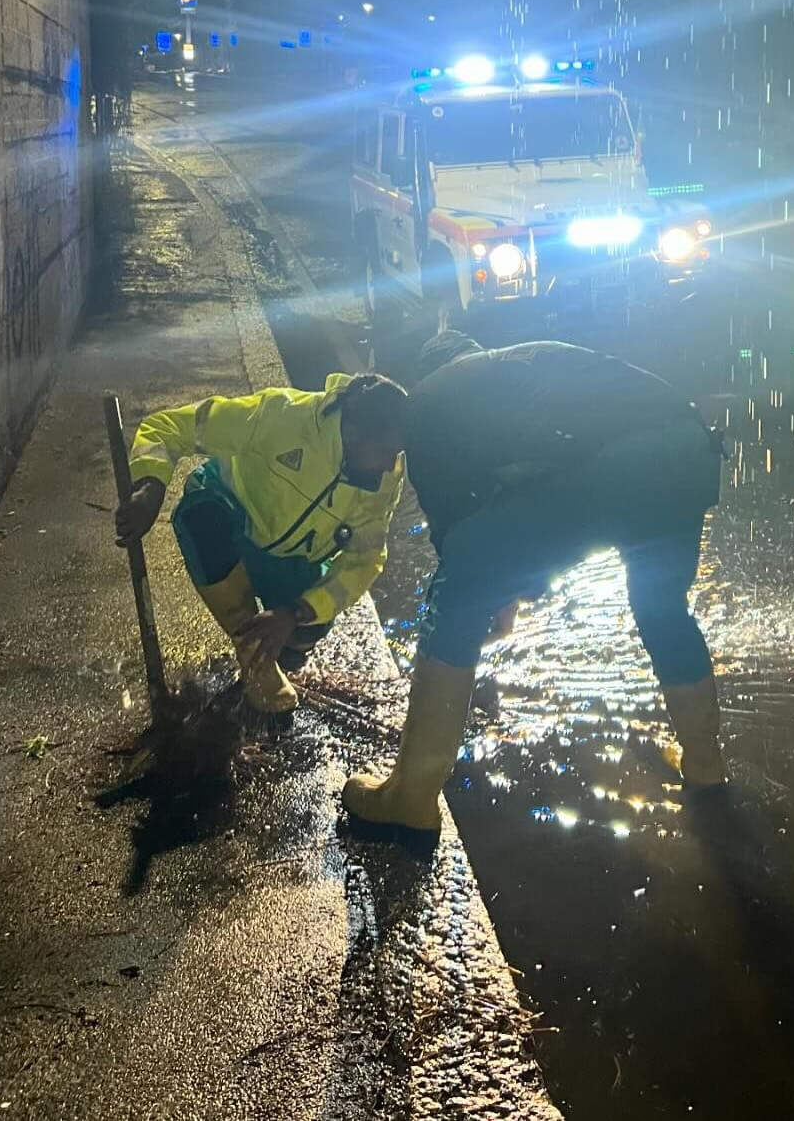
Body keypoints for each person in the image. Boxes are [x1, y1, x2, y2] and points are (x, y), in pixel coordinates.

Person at [343, 331, 727, 833]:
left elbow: (461, 548)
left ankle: (410, 798)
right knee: (662, 612)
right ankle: (705, 766)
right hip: (687, 451)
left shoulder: (427, 406)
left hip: (614, 467)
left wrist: (496, 598)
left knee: (452, 597)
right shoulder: (522, 360)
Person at [115, 373, 409, 716]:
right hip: (232, 519)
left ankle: (276, 650)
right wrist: (151, 486)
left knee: (305, 634)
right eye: (386, 451)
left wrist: (296, 611)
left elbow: (365, 558)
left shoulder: (386, 475)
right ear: (355, 432)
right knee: (202, 520)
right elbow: (170, 426)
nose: (391, 464)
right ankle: (253, 655)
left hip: (289, 558)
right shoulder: (282, 415)